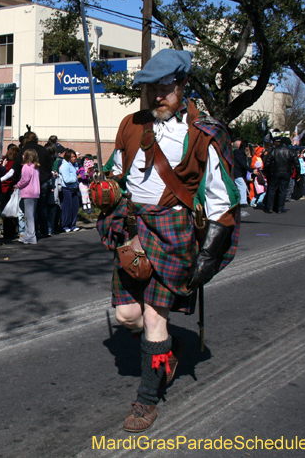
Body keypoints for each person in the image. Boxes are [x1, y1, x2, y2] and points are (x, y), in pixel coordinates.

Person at [98, 49, 239, 432]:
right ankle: (166, 354)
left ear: (182, 85)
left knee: (155, 320)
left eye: (165, 87)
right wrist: (105, 187)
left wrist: (208, 254)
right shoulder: (130, 124)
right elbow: (117, 171)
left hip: (174, 232)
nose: (157, 95)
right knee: (129, 316)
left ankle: (146, 400)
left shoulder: (205, 131)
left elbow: (221, 197)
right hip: (132, 229)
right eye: (150, 88)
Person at [263, 132, 300, 213]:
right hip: (286, 172)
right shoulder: (291, 151)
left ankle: (269, 207)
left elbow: (268, 162)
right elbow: (297, 164)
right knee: (283, 190)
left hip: (275, 172)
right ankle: (280, 208)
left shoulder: (274, 150)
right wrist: (298, 174)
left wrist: (265, 171)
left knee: (272, 189)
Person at [16, 149, 41, 244]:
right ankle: (29, 234)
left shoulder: (26, 167)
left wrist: (17, 185)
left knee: (28, 216)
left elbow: (24, 180)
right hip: (35, 193)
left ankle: (30, 235)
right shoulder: (35, 167)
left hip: (28, 192)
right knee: (31, 215)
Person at [58, 149, 80, 233]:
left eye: (75, 156)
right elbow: (67, 179)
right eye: (73, 157)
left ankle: (72, 224)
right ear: (68, 157)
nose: (75, 158)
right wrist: (77, 178)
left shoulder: (74, 165)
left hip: (74, 188)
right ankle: (65, 225)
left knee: (75, 207)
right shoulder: (65, 166)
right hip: (66, 189)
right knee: (67, 208)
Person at [232, 139, 250, 207]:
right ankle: (243, 202)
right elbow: (243, 164)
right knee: (242, 186)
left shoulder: (236, 153)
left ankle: (241, 200)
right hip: (238, 172)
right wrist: (251, 170)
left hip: (236, 171)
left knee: (239, 186)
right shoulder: (241, 154)